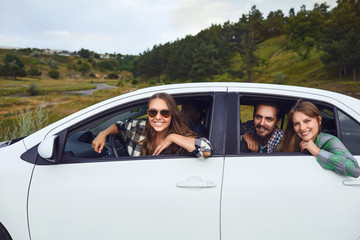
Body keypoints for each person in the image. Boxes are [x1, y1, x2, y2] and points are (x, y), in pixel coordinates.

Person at [92, 93, 212, 159]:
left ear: (172, 114)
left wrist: (173, 138)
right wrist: (103, 134)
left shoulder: (181, 134)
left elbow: (206, 150)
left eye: (164, 112)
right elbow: (120, 125)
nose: (158, 117)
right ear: (148, 112)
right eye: (153, 112)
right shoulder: (139, 126)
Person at [279, 100, 360, 178]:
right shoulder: (291, 140)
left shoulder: (329, 141)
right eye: (296, 124)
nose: (302, 128)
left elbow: (355, 170)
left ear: (319, 120)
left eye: (307, 121)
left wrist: (318, 152)